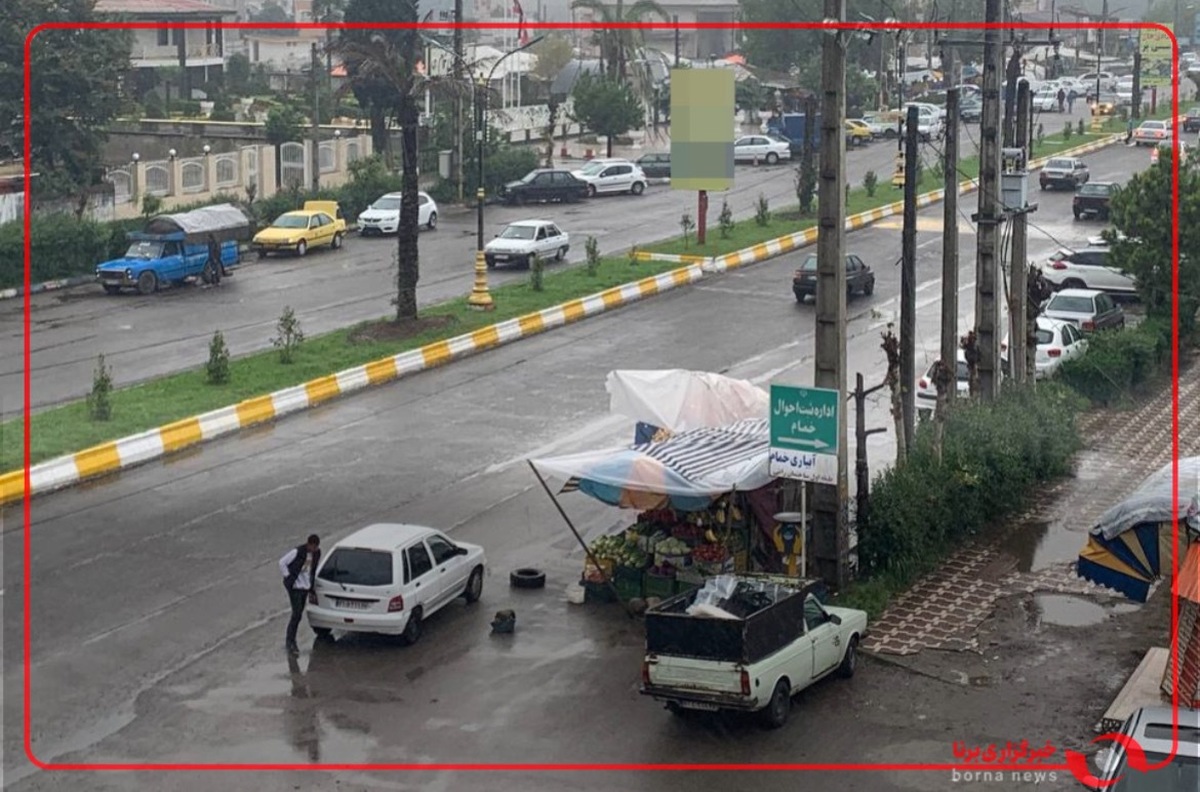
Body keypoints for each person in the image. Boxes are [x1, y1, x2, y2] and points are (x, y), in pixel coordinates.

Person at [279, 534, 321, 654]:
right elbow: (282, 562)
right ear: (309, 544)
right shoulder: (297, 552)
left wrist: (311, 586)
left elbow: (313, 569)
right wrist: (289, 577)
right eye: (314, 547)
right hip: (295, 588)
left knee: (298, 614)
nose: (315, 549)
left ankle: (292, 641)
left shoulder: (316, 554)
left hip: (305, 587)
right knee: (296, 614)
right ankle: (290, 641)